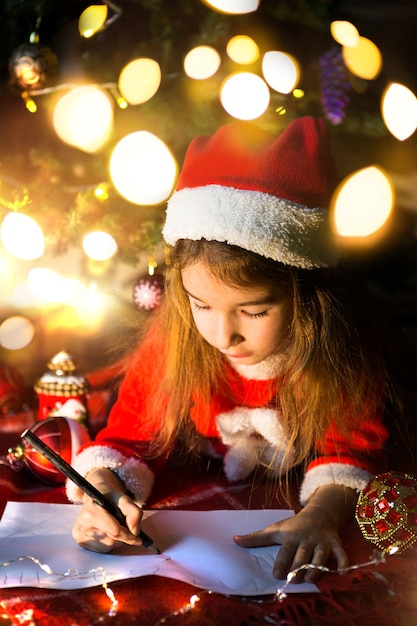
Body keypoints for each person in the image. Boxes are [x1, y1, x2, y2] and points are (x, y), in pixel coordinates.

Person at [68, 117, 390, 583]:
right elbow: (129, 438)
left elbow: (353, 449)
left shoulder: (339, 353)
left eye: (254, 312)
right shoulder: (174, 341)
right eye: (201, 305)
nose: (223, 336)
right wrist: (103, 485)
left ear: (307, 299)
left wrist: (323, 511)